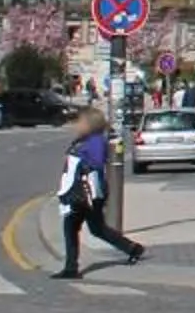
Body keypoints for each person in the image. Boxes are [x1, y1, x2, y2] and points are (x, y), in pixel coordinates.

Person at [52, 108, 146, 278]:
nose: (76, 125)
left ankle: (71, 267)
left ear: (89, 123)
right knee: (97, 228)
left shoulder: (95, 140)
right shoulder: (86, 139)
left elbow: (96, 161)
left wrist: (81, 161)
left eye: (79, 121)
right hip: (87, 193)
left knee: (71, 226)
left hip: (86, 193)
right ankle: (132, 248)